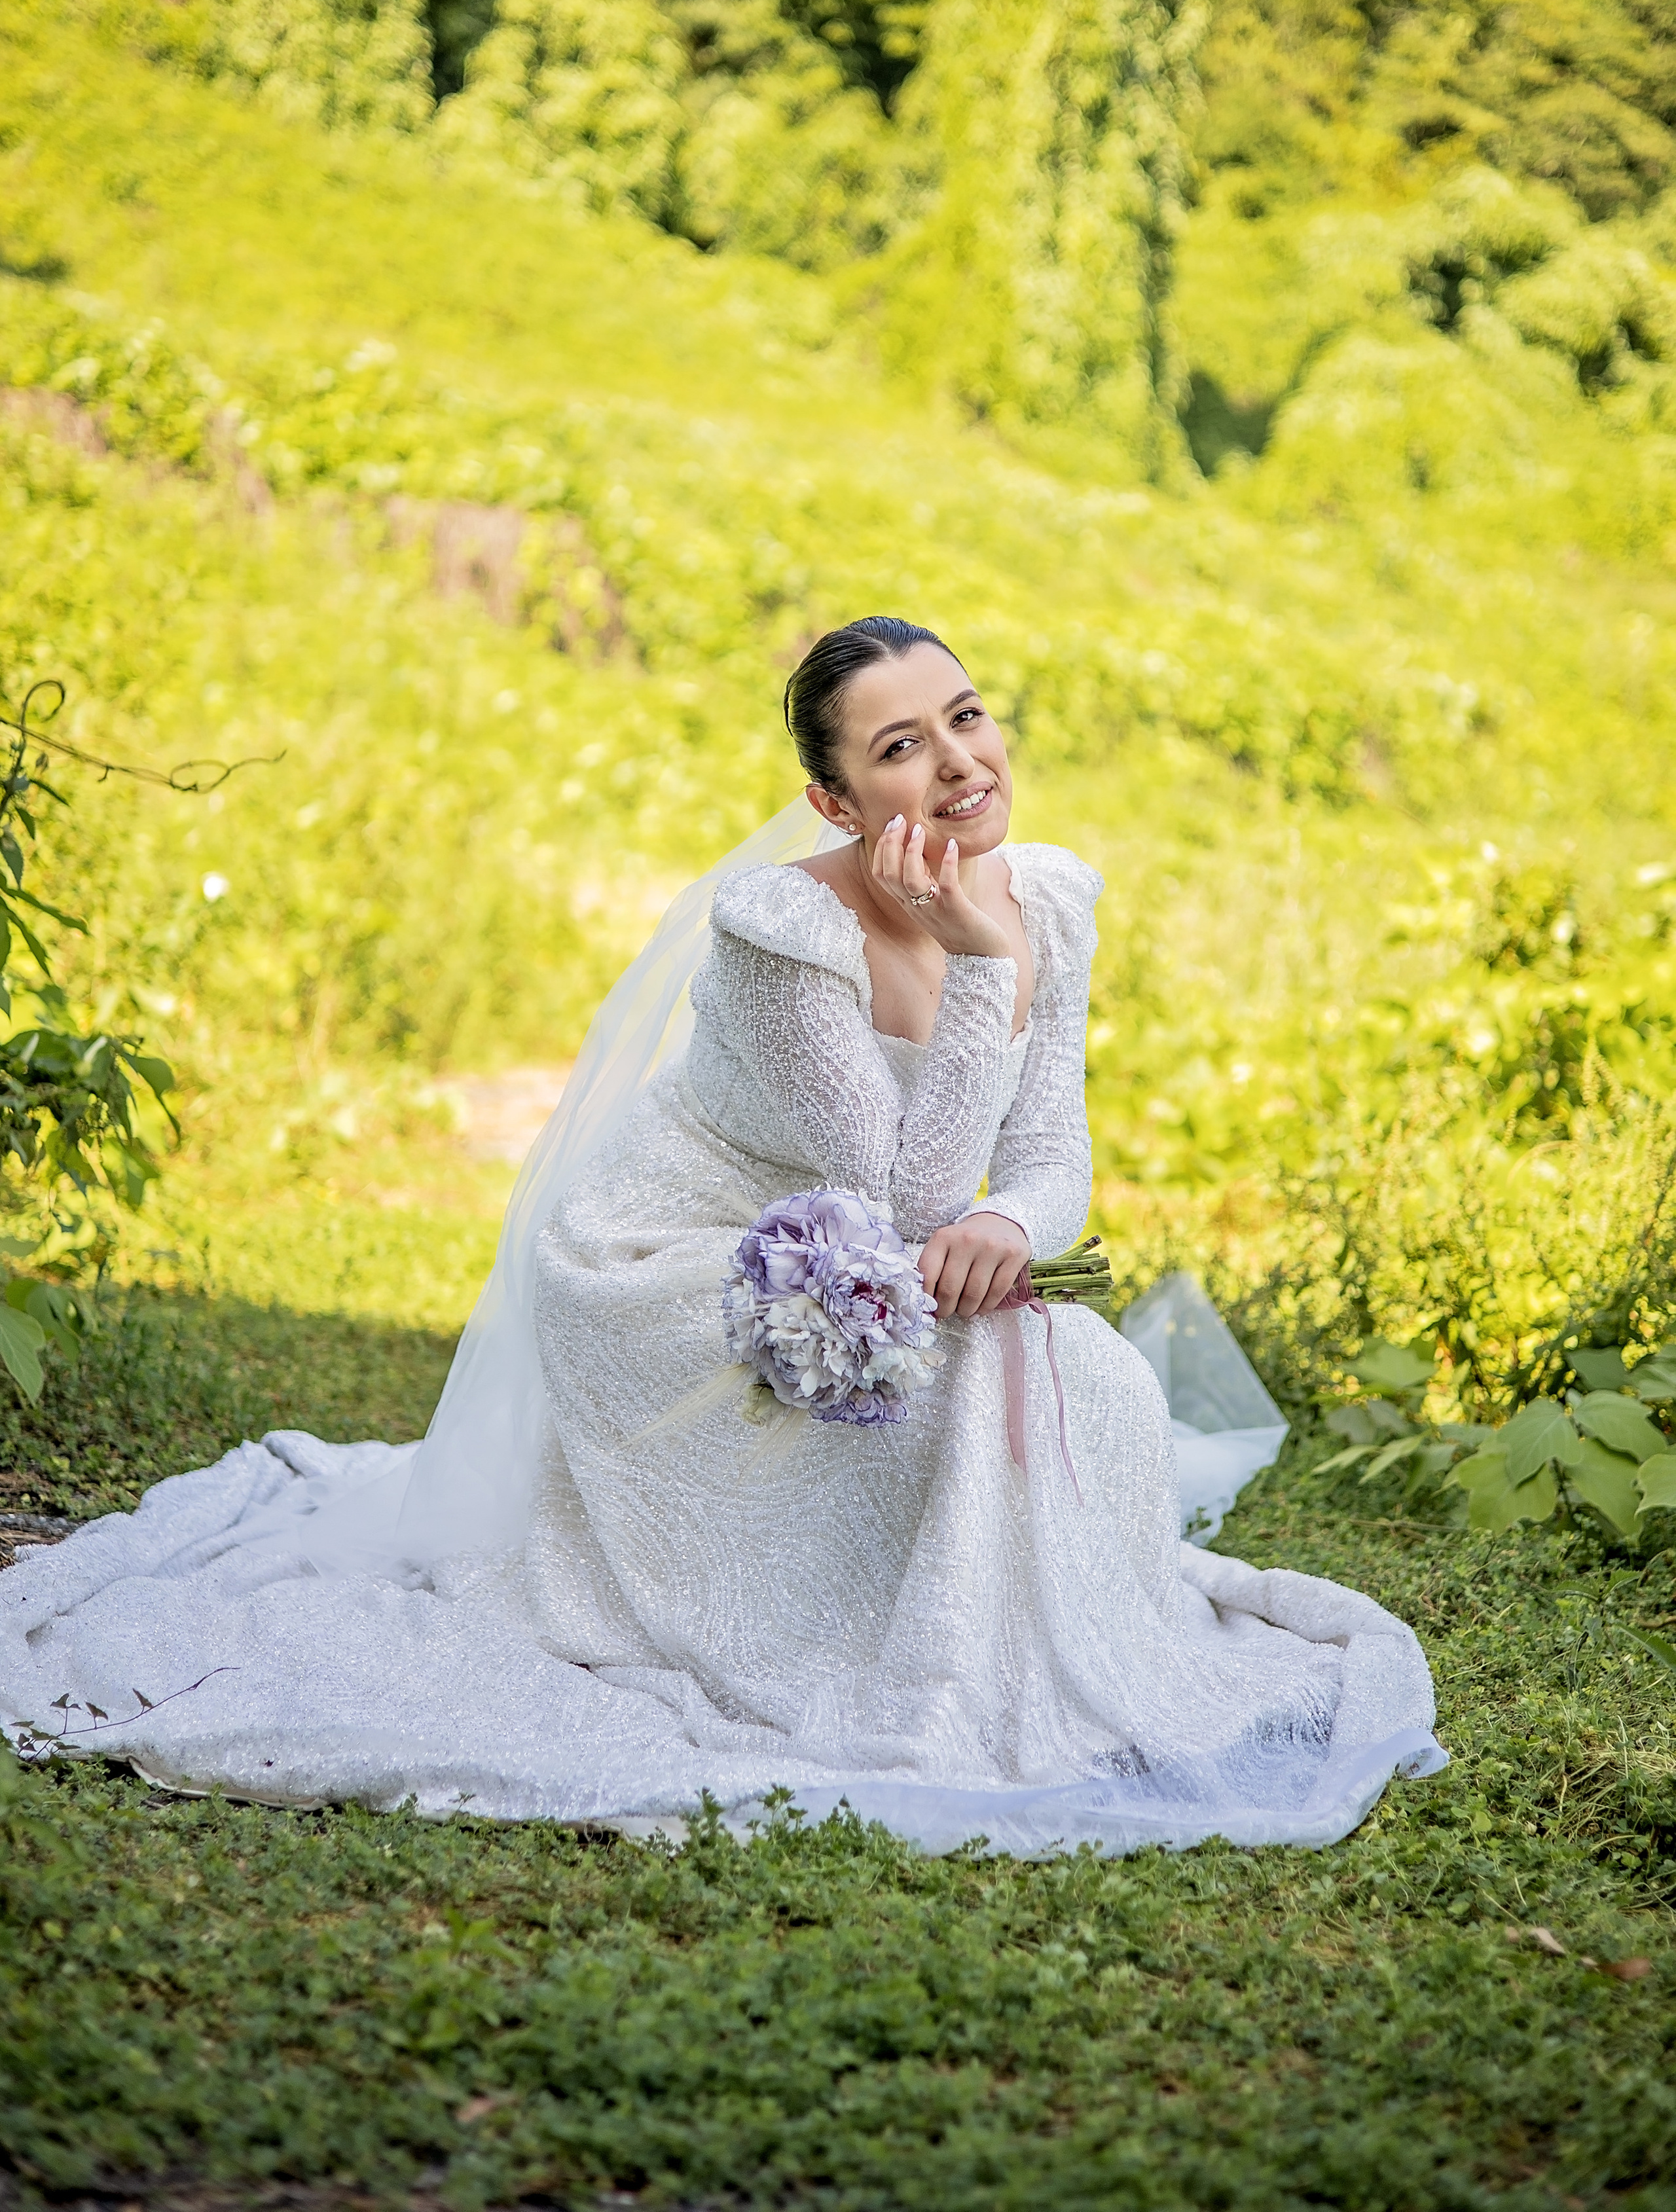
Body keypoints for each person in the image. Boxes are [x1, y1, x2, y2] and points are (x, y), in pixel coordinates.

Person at [0, 617, 1444, 1853]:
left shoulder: (1050, 897)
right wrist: (975, 967)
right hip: (684, 1255)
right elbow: (892, 1193)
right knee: (952, 1392)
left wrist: (1017, 1216)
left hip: (878, 1251)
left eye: (965, 718)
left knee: (1093, 1387)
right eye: (899, 750)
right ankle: (850, 1636)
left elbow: (1040, 1153)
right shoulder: (782, 933)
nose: (956, 767)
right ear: (830, 801)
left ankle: (1020, 1641)